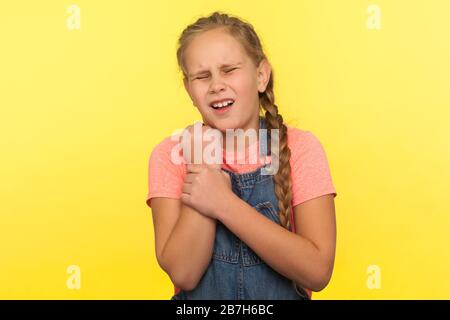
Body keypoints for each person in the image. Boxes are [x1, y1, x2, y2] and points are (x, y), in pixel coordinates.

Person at [146, 11, 337, 300]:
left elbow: (317, 271)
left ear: (260, 76)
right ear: (189, 89)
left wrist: (223, 203)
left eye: (229, 69)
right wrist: (202, 164)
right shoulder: (172, 155)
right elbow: (184, 272)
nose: (216, 85)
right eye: (202, 76)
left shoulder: (298, 149)